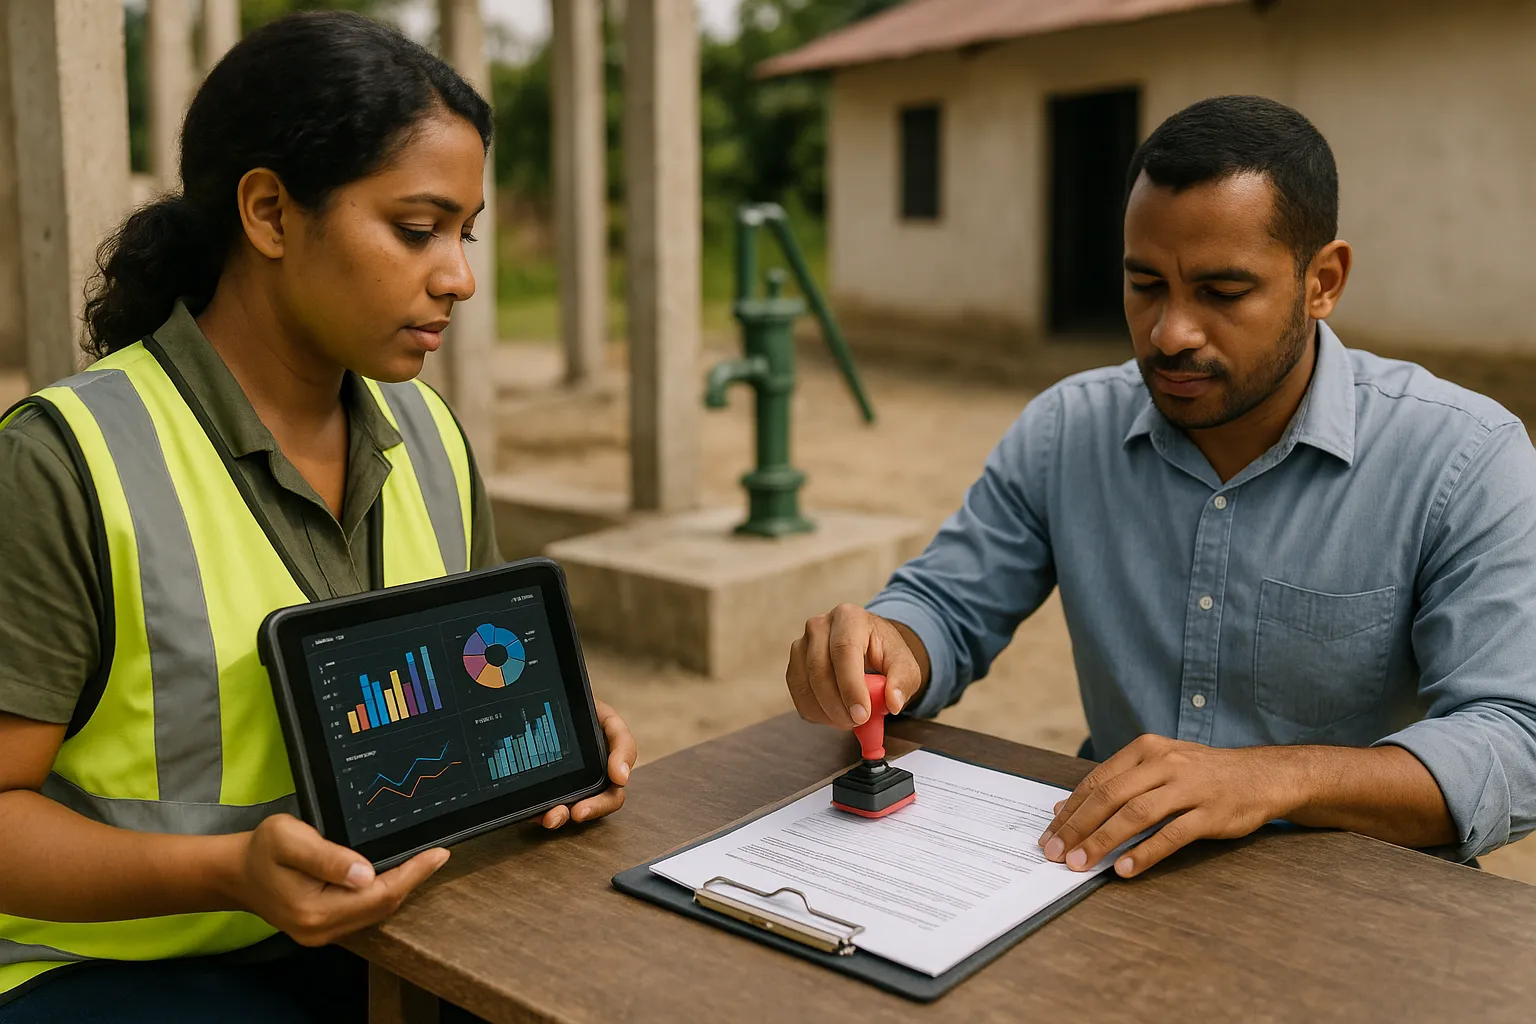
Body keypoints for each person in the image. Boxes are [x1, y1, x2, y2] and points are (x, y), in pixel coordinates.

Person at [0, 13, 636, 1021]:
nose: (460, 278)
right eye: (417, 228)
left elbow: (474, 672)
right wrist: (227, 873)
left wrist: (545, 741)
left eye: (464, 235)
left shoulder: (428, 434)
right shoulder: (63, 461)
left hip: (388, 932)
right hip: (115, 971)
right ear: (269, 212)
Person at [785, 95, 1536, 879]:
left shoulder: (1464, 459)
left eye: (1222, 291)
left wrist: (1272, 777)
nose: (1171, 331)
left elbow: (1516, 740)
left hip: (1361, 910)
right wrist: (887, 646)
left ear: (1323, 281)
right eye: (1146, 285)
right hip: (1109, 882)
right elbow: (946, 606)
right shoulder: (1066, 431)